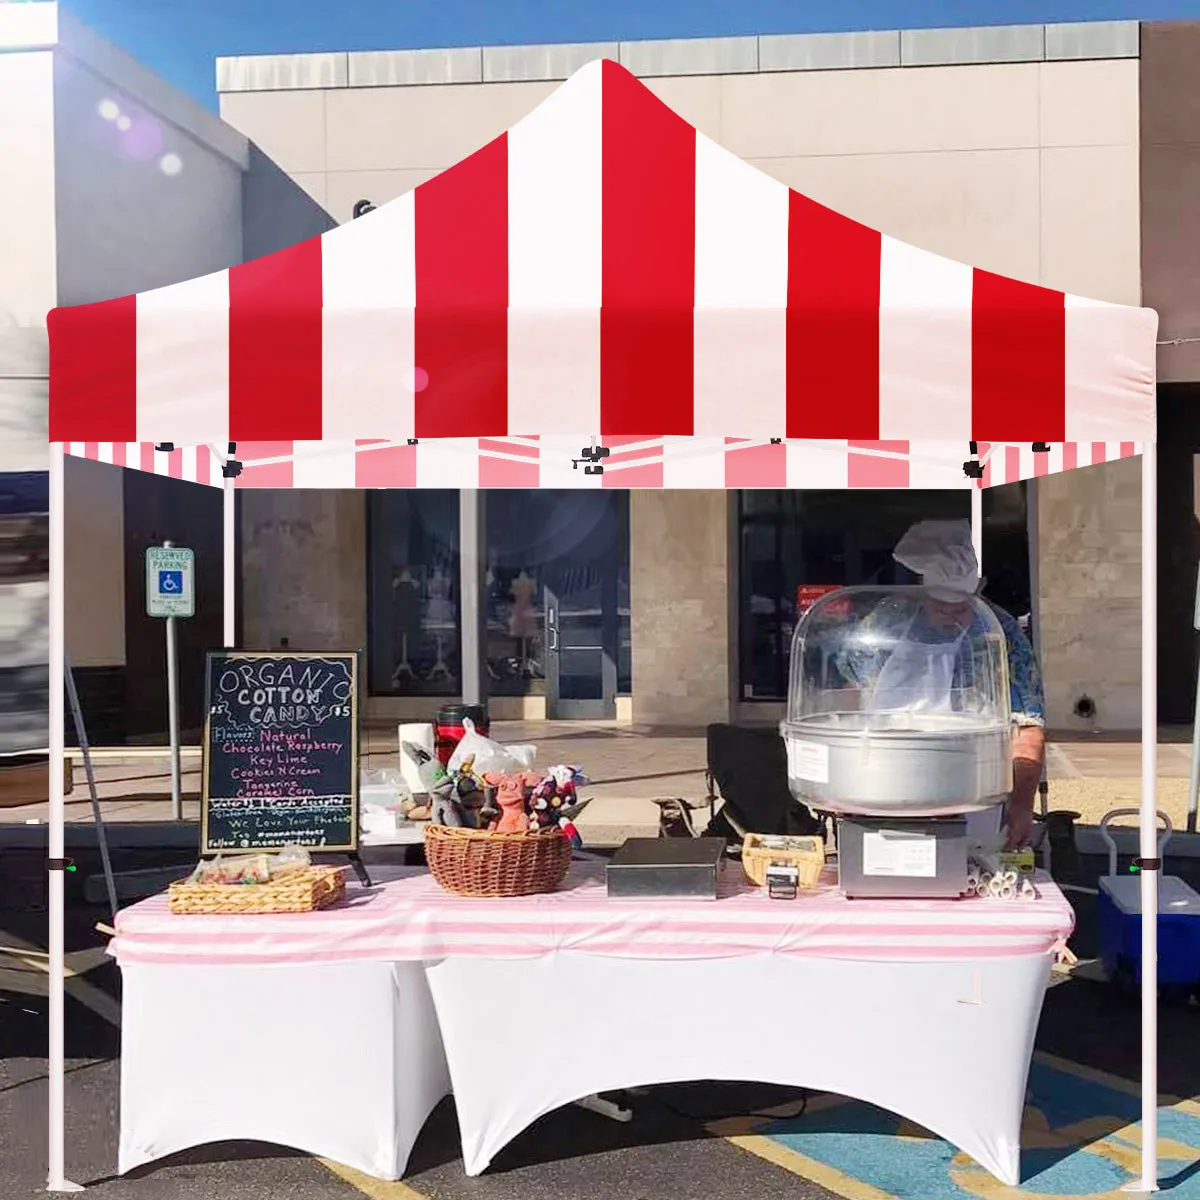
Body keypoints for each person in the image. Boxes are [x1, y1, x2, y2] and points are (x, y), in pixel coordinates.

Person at [836, 519, 1045, 850]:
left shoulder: (1001, 635)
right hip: (885, 781)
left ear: (977, 591)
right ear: (922, 589)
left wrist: (1021, 804)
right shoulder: (887, 622)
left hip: (974, 788)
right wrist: (845, 775)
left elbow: (1027, 726)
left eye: (960, 607)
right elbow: (850, 695)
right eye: (940, 605)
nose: (950, 614)